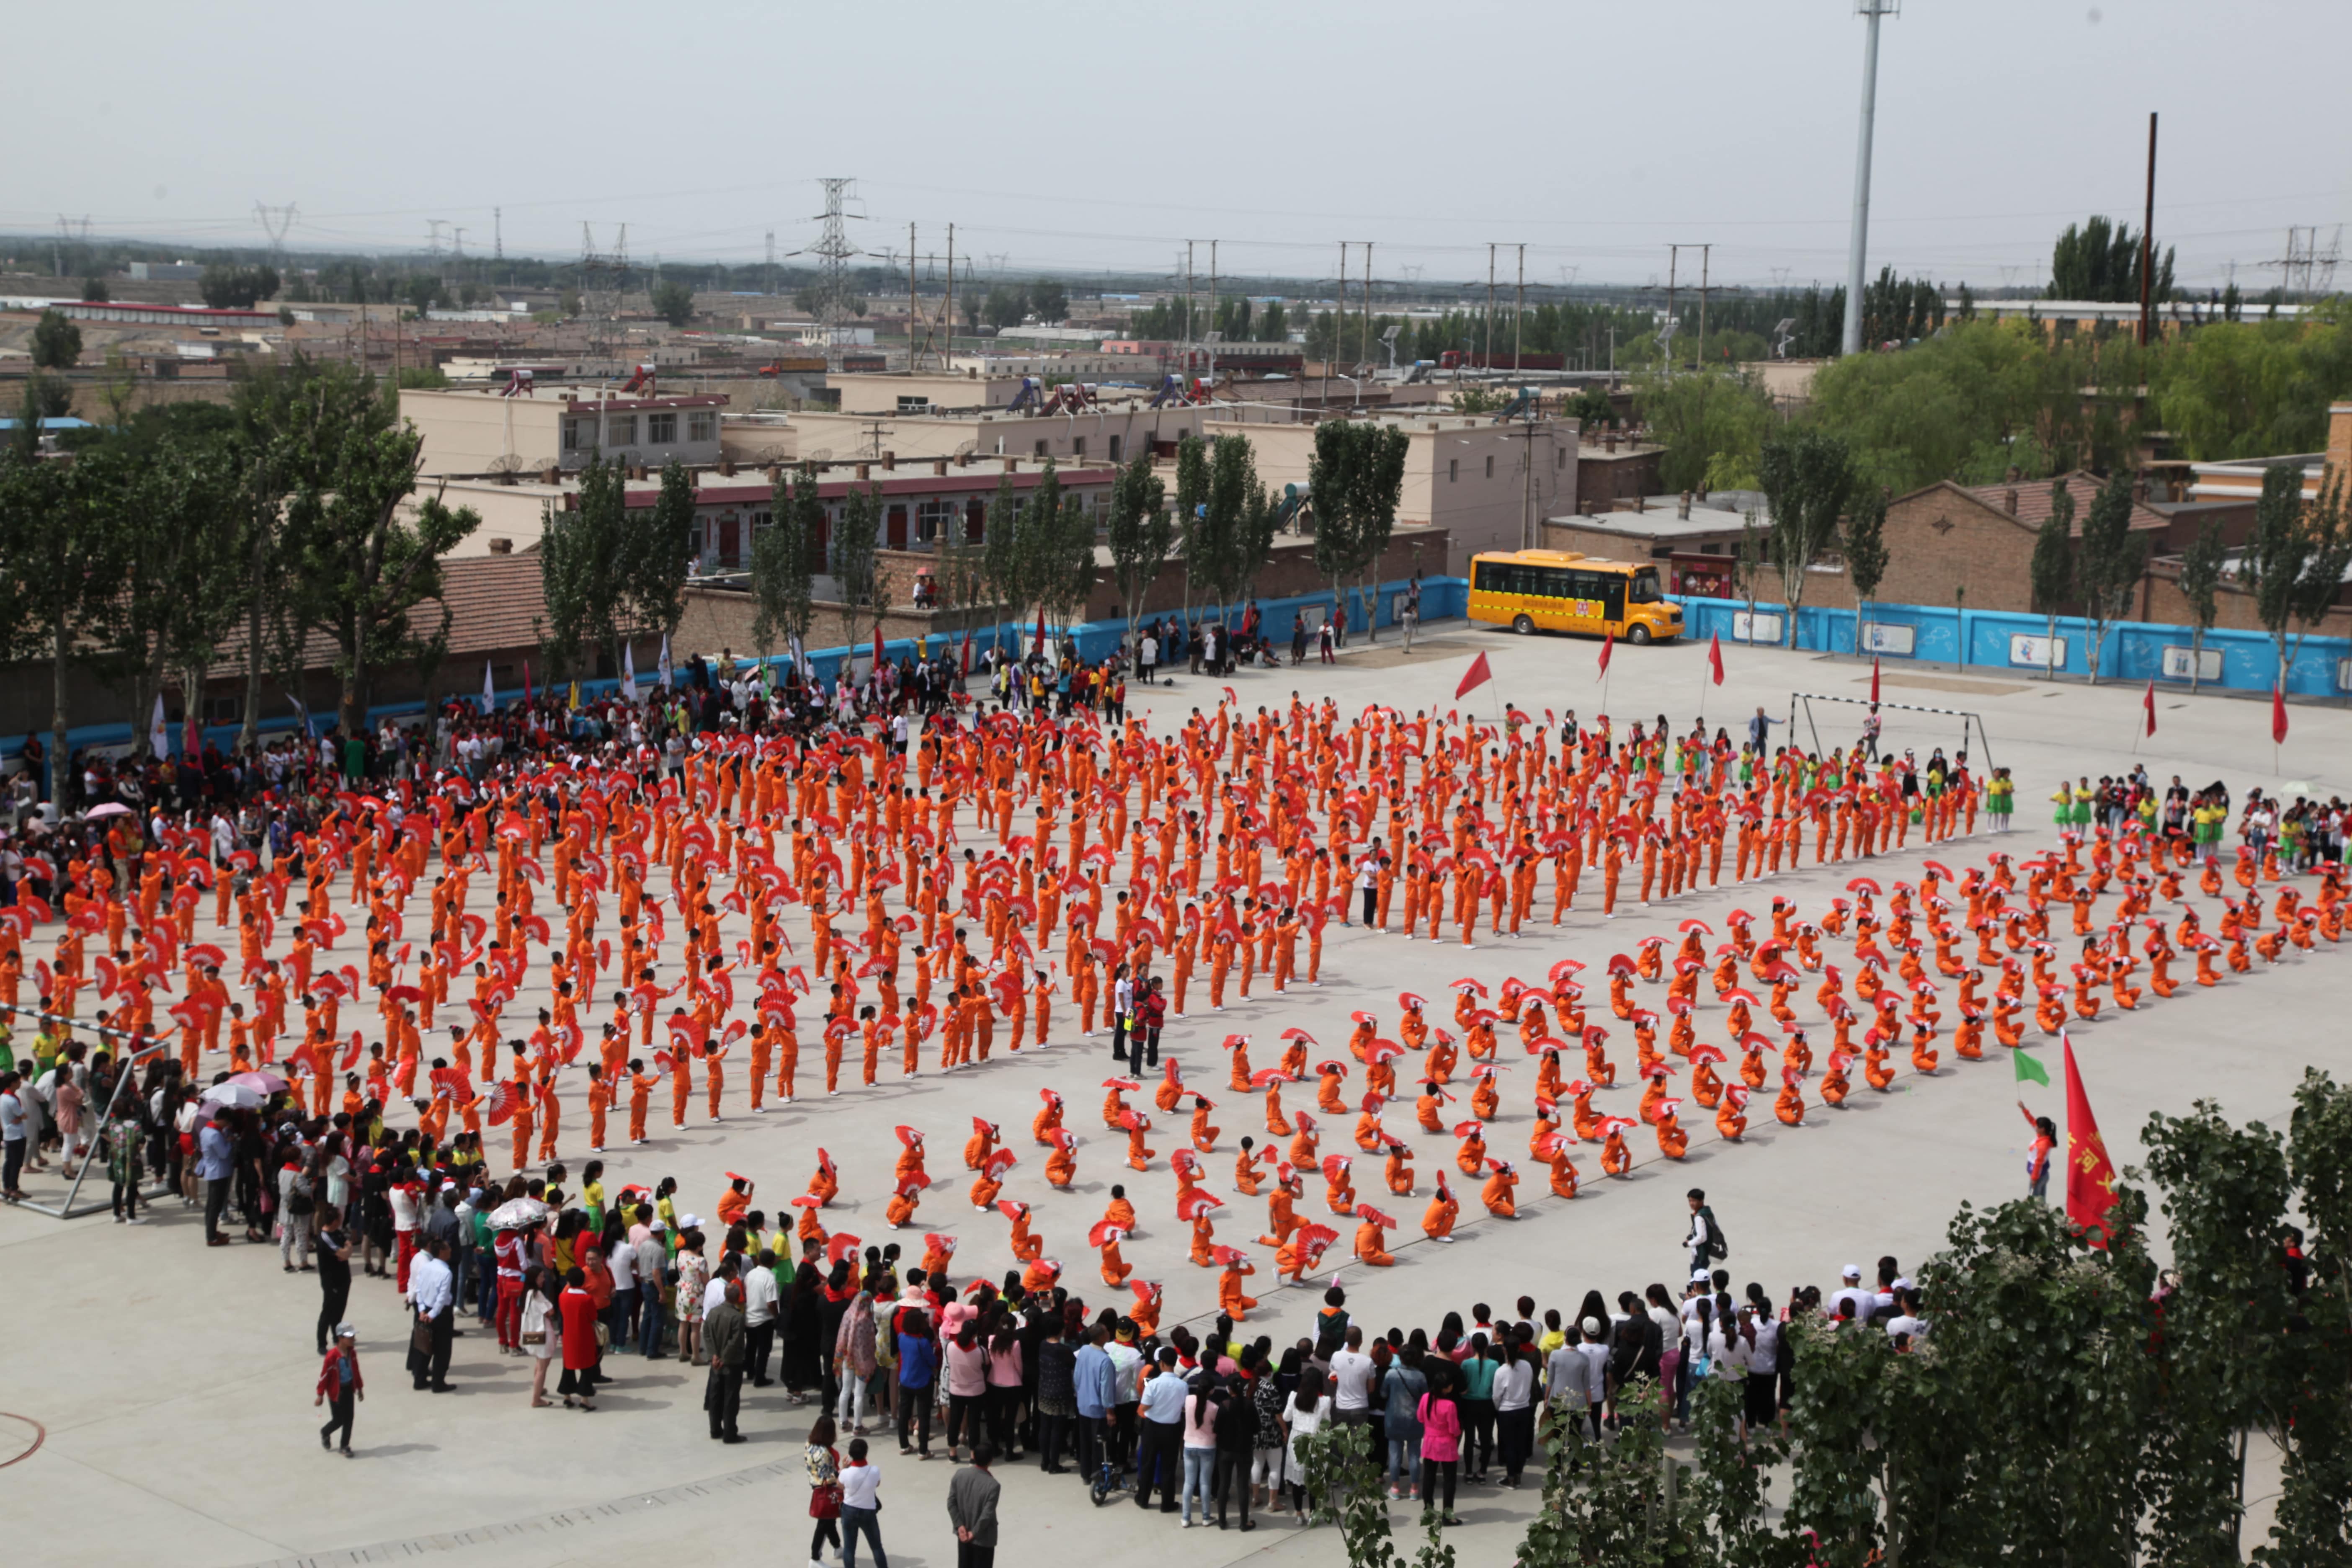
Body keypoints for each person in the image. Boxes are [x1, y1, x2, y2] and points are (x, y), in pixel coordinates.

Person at [405, 1238, 455, 1392]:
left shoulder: (427, 1268)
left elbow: (419, 1289)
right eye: (448, 1248)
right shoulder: (446, 1272)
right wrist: (433, 1314)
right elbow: (442, 1298)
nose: (450, 1251)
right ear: (441, 1252)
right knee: (442, 1350)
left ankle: (419, 1380)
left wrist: (422, 1311)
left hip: (425, 1310)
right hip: (440, 1314)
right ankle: (438, 1383)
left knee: (423, 1345)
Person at [947, 1441, 1002, 1568]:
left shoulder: (960, 1474)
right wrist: (974, 1534)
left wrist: (959, 1526)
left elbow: (951, 1503)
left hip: (963, 1536)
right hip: (983, 1540)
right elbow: (987, 1515)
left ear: (974, 1457)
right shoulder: (993, 1485)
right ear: (991, 1460)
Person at [704, 1277, 745, 1439]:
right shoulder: (737, 1317)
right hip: (731, 1364)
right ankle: (730, 1433)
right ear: (737, 1297)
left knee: (715, 1397)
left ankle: (715, 1430)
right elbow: (735, 1341)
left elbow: (707, 1334)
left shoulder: (713, 1313)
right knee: (730, 1398)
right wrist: (723, 1358)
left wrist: (713, 1356)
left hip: (716, 1364)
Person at [313, 1323, 363, 1457]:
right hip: (336, 1392)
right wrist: (320, 1395)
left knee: (349, 1418)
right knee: (339, 1420)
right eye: (350, 1337)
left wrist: (359, 1388)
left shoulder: (352, 1353)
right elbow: (324, 1376)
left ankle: (345, 1446)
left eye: (353, 1336)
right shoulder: (332, 1357)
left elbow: (356, 1371)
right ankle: (325, 1432)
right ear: (340, 1338)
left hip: (349, 1389)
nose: (353, 1339)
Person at [840, 1436, 888, 1568]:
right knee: (877, 1547)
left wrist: (843, 1468)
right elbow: (877, 1484)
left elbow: (840, 1486)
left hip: (849, 1511)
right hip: (868, 1512)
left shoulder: (846, 1473)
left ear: (850, 1455)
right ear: (866, 1454)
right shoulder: (874, 1471)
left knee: (849, 1549)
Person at [808, 1412, 846, 1567]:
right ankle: (815, 1558)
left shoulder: (810, 1445)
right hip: (827, 1491)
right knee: (824, 1524)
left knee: (829, 1520)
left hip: (816, 1488)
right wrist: (845, 1469)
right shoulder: (826, 1454)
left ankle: (837, 1547)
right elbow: (830, 1477)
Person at [2020, 1101, 2056, 1201]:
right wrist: (2024, 1109)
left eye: (2038, 1127)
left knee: (2034, 1205)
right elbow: (2032, 1121)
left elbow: (2039, 1162)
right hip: (2043, 1175)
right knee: (2041, 1203)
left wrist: (2034, 1178)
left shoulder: (2043, 1145)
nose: (2035, 1127)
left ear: (2043, 1129)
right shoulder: (2042, 1136)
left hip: (2038, 1177)